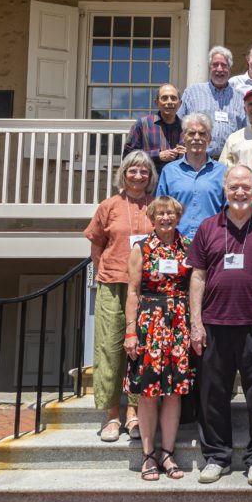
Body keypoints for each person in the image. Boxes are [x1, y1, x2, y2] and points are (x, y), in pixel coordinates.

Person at [189, 166, 252, 486]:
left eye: (245, 186)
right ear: (224, 189)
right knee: (212, 395)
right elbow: (197, 277)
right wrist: (195, 323)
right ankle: (216, 457)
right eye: (233, 186)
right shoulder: (208, 227)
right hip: (215, 324)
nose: (239, 192)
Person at [83, 150, 156, 443]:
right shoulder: (109, 205)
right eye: (132, 170)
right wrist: (104, 271)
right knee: (110, 350)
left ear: (150, 177)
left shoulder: (155, 206)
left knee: (139, 351)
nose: (138, 176)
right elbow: (96, 244)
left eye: (144, 171)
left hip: (146, 288)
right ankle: (112, 415)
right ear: (123, 174)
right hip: (113, 285)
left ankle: (133, 413)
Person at [123, 195, 192, 481]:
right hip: (149, 322)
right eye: (160, 214)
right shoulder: (141, 248)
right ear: (152, 218)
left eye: (170, 214)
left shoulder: (188, 246)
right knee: (149, 393)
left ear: (178, 216)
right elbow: (132, 291)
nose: (165, 218)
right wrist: (129, 330)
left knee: (174, 392)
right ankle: (149, 455)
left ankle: (168, 452)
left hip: (178, 322)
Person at [155, 113, 226, 239]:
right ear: (183, 137)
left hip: (212, 242)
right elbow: (160, 210)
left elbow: (229, 212)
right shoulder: (169, 172)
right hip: (176, 244)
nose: (196, 138)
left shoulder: (223, 172)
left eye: (202, 133)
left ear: (209, 139)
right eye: (191, 133)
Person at [177, 46, 247, 159]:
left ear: (230, 69)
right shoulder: (192, 92)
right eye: (215, 65)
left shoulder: (240, 98)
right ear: (210, 67)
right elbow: (178, 123)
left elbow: (245, 131)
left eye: (224, 65)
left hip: (229, 161)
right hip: (197, 159)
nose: (219, 69)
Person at [123, 84, 185, 173]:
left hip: (178, 183)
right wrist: (157, 155)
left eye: (173, 98)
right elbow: (128, 157)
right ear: (157, 102)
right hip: (150, 183)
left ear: (180, 103)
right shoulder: (142, 125)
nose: (169, 101)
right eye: (164, 98)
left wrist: (187, 155)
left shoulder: (187, 129)